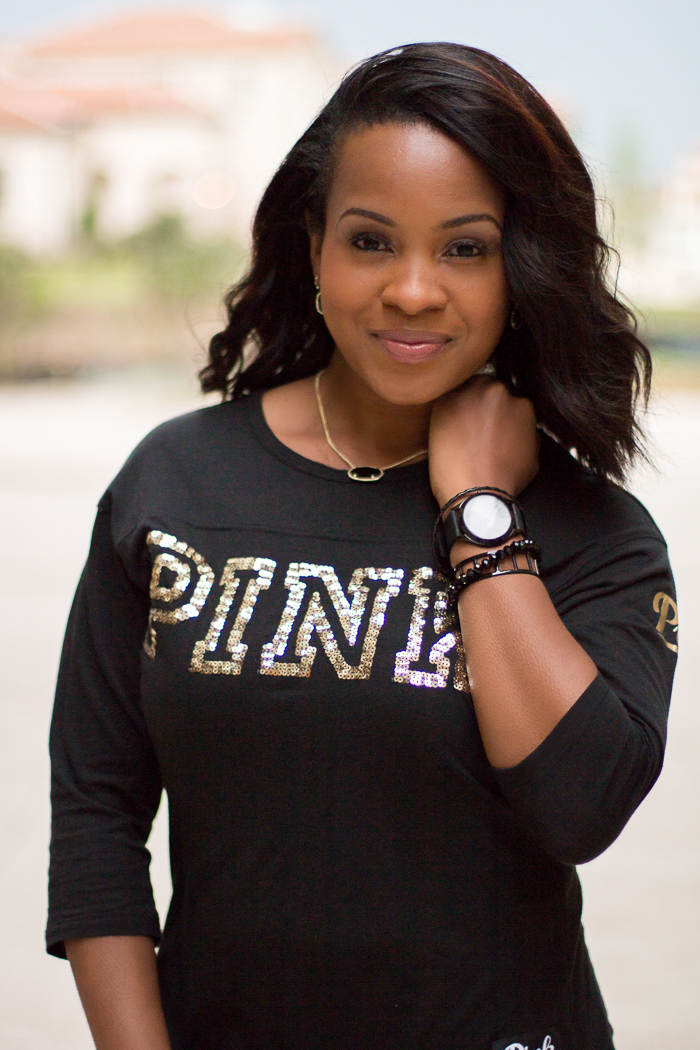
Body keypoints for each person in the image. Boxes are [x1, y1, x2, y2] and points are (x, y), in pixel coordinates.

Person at [47, 43, 677, 1050]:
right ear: (315, 249)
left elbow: (580, 809)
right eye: (372, 241)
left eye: (465, 248)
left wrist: (478, 510)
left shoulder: (594, 534)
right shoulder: (174, 485)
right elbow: (95, 822)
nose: (414, 290)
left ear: (521, 266)